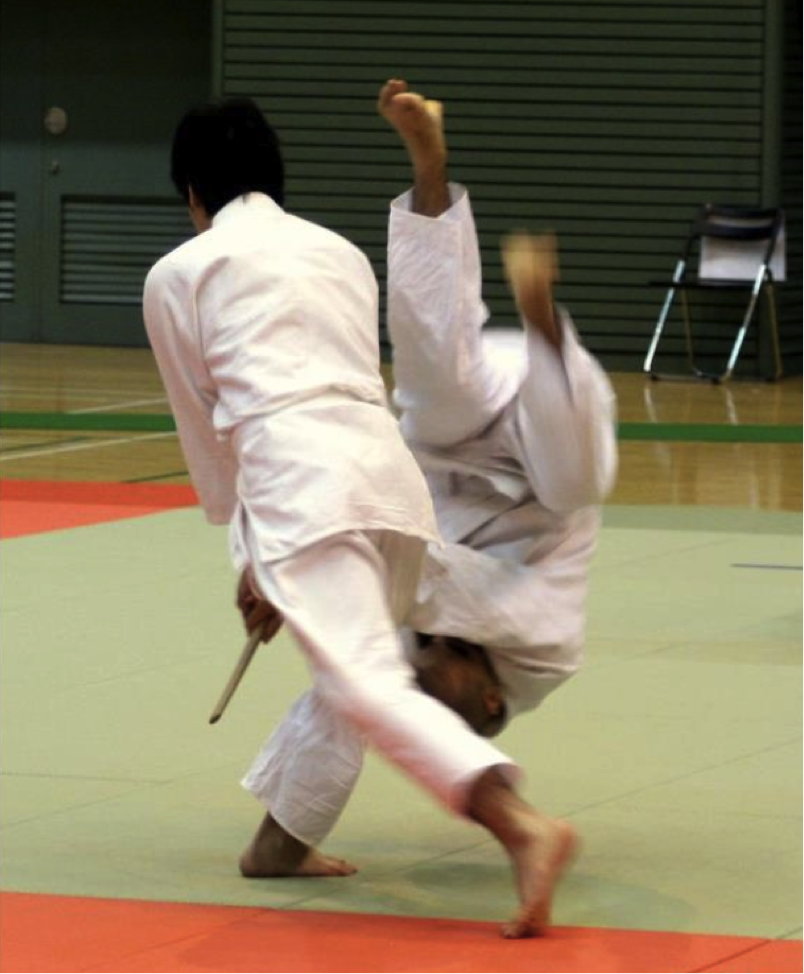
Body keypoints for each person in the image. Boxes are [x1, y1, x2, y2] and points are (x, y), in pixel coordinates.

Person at [143, 95, 575, 939]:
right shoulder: (337, 252)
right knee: (352, 677)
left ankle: (521, 827)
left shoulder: (179, 274)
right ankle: (282, 841)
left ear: (192, 192)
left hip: (304, 486)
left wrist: (252, 550)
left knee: (366, 681)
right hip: (388, 483)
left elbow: (209, 429)